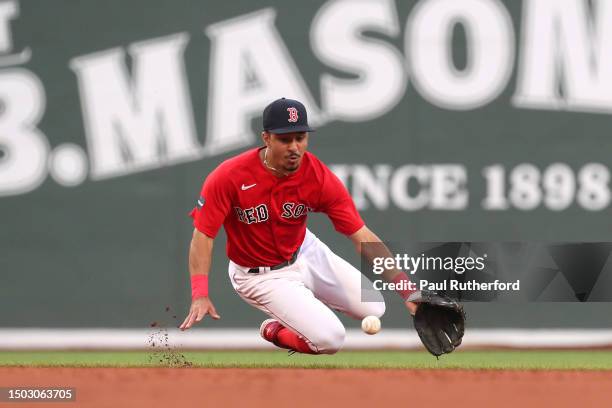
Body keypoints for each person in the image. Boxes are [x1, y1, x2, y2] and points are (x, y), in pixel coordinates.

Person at [180, 97, 418, 355]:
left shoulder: (317, 176)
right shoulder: (228, 177)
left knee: (374, 307)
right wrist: (200, 293)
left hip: (305, 251)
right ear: (266, 138)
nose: (294, 147)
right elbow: (202, 236)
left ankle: (302, 312)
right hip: (260, 276)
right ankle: (274, 330)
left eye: (300, 137)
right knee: (330, 340)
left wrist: (409, 292)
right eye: (285, 139)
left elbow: (361, 235)